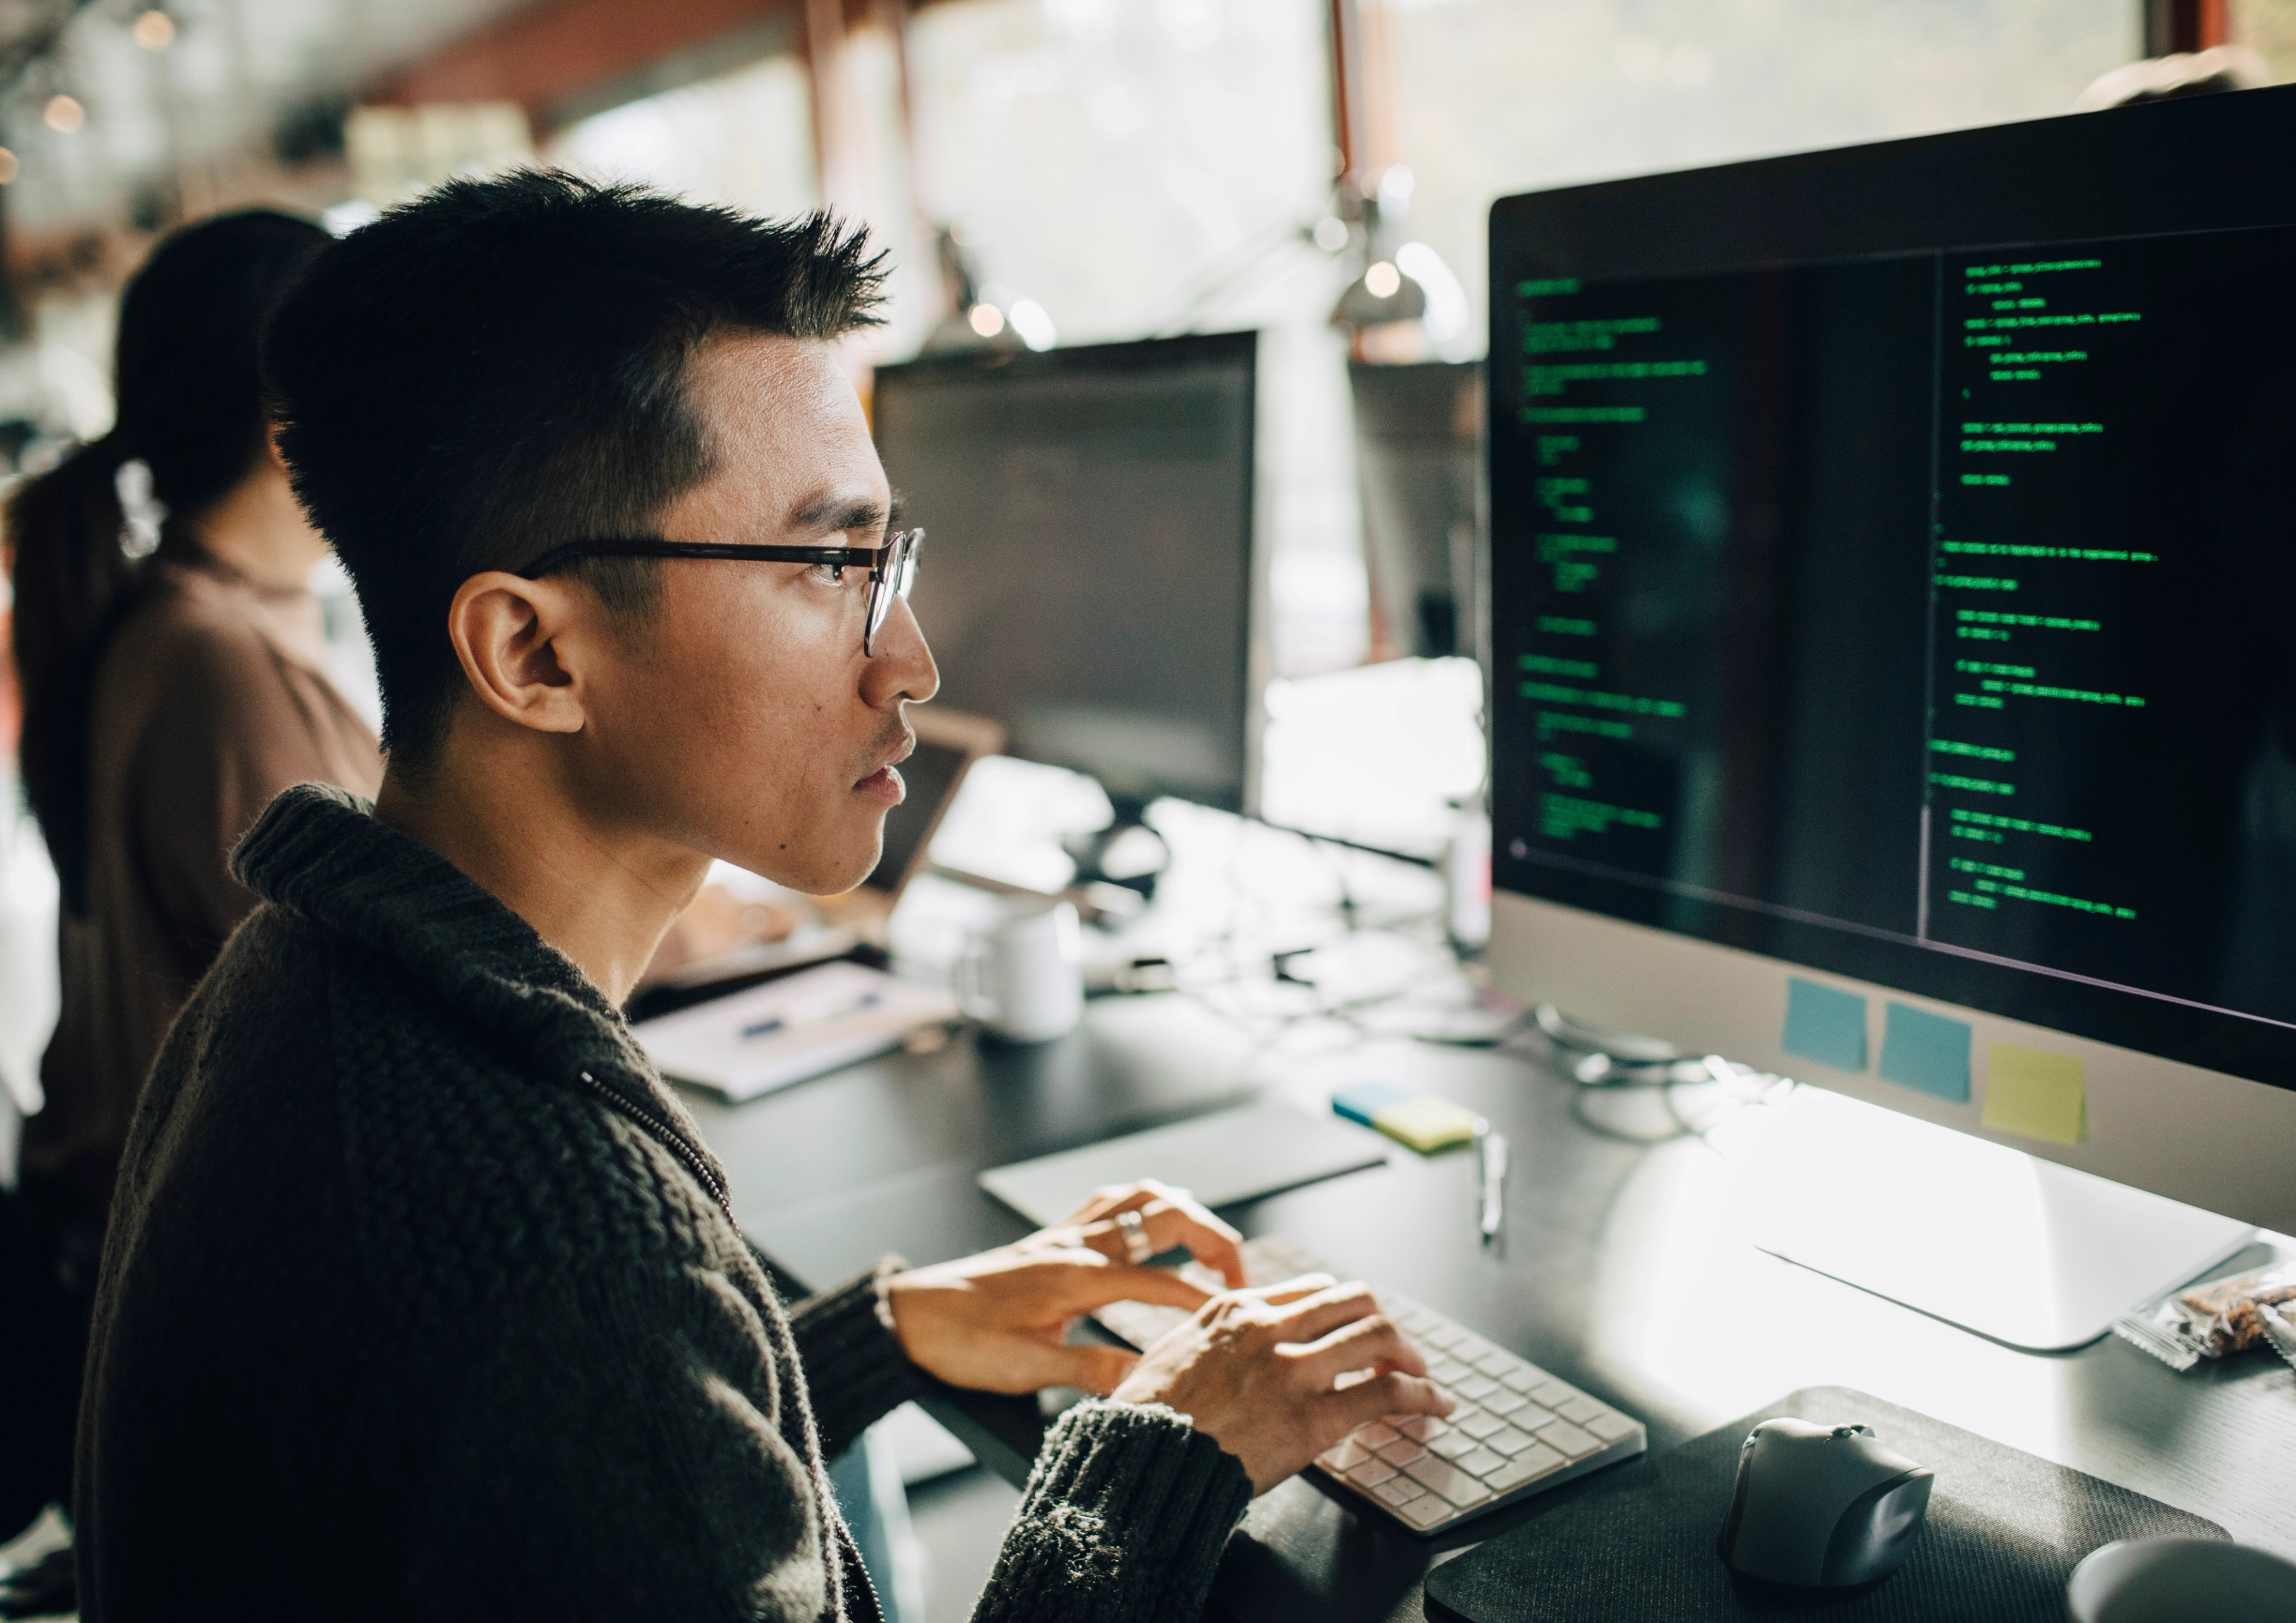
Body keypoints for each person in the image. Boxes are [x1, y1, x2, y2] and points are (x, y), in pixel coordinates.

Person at [75, 171, 1448, 1622]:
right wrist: (1154, 1458)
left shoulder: (297, 977)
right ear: (533, 656)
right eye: (824, 562)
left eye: (886, 555)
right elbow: (574, 1337)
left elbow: (578, 1465)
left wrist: (877, 1335)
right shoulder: (566, 1244)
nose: (909, 658)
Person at [2, 210, 379, 1574]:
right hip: (214, 1296)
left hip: (131, 1249)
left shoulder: (180, 617)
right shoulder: (222, 669)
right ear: (299, 408)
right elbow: (391, 1001)